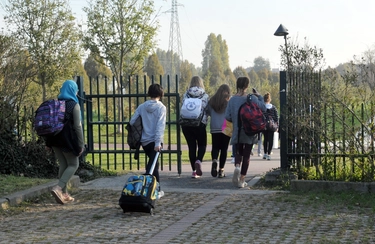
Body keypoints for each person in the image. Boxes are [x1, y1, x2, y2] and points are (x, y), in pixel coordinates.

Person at [225, 77, 266, 188]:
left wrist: (235, 118)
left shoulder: (232, 100)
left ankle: (237, 166)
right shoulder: (251, 98)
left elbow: (227, 116)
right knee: (247, 155)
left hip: (237, 130)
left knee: (238, 151)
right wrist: (259, 96)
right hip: (250, 130)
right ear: (247, 86)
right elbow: (263, 108)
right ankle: (242, 179)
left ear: (237, 85)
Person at [48, 80, 84, 204]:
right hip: (67, 140)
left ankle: (64, 194)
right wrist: (81, 144)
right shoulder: (74, 105)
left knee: (63, 163)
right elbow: (78, 126)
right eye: (76, 89)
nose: (78, 91)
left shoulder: (56, 103)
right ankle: (58, 188)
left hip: (54, 139)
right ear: (73, 90)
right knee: (74, 164)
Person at [129, 83, 166, 197]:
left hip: (144, 141)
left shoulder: (142, 107)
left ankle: (154, 188)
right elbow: (160, 126)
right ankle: (153, 189)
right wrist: (158, 142)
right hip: (155, 141)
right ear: (161, 94)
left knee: (154, 164)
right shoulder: (161, 108)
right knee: (152, 166)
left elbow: (132, 121)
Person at [181, 76, 209, 178]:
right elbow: (207, 109)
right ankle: (199, 160)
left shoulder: (186, 94)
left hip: (186, 124)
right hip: (199, 123)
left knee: (191, 147)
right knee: (202, 145)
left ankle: (194, 171)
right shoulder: (205, 95)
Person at [207, 84, 231, 178]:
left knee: (215, 147)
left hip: (215, 126)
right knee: (224, 149)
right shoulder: (228, 102)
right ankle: (221, 170)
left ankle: (214, 161)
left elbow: (208, 111)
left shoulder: (212, 101)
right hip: (226, 126)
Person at [262, 92, 279, 160]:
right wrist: (277, 125)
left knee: (265, 139)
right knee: (271, 140)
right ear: (270, 99)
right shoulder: (273, 107)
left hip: (264, 126)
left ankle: (265, 153)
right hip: (272, 126)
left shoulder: (262, 107)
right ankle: (269, 153)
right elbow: (276, 117)